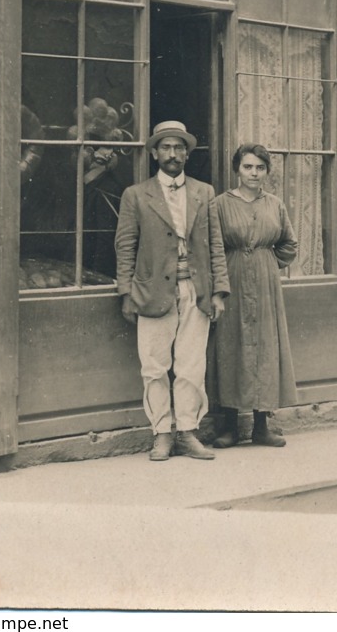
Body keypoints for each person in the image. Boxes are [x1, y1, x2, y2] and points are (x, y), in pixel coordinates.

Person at [115, 120, 229, 461]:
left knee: (192, 366)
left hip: (196, 292)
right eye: (165, 147)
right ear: (154, 153)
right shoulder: (136, 195)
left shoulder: (204, 192)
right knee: (154, 366)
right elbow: (125, 246)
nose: (173, 153)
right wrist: (126, 294)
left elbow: (215, 245)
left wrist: (219, 291)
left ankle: (188, 433)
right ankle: (161, 434)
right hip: (151, 294)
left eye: (179, 148)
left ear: (187, 154)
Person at [209, 143, 298, 449]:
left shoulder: (275, 205)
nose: (254, 173)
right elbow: (214, 248)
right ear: (237, 169)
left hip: (264, 282)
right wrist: (219, 288)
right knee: (231, 345)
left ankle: (261, 425)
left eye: (260, 168)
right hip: (231, 278)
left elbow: (289, 243)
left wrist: (269, 262)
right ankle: (230, 426)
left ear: (267, 172)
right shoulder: (219, 204)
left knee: (264, 347)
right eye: (248, 167)